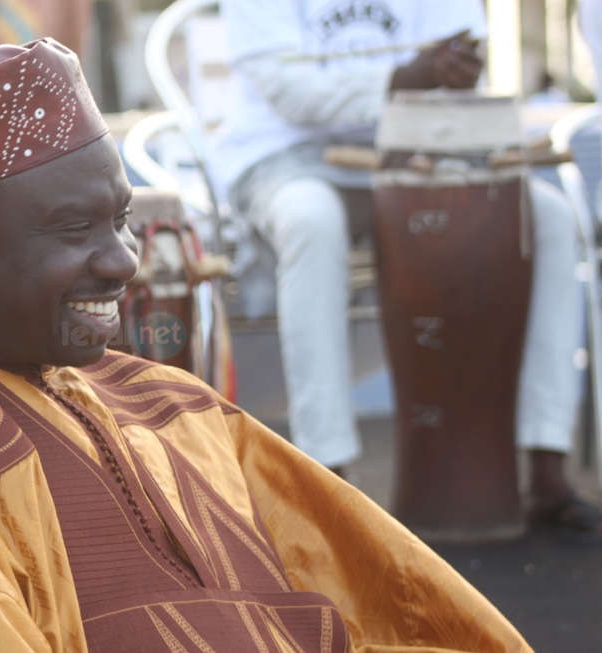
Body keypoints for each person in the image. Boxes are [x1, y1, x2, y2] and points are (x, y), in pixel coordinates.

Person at [0, 37, 534, 651]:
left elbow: (399, 606)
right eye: (74, 228)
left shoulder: (165, 399)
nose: (123, 261)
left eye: (120, 219)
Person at [213, 0, 602, 541]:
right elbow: (289, 94)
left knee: (550, 219)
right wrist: (403, 76)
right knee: (311, 220)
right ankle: (327, 479)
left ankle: (546, 471)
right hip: (287, 153)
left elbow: (462, 65)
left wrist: (452, 72)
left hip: (421, 144)